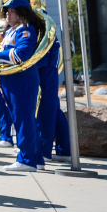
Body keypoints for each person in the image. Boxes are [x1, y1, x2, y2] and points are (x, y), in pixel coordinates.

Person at [0, 0, 45, 171]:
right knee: (21, 118)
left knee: (23, 119)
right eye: (7, 11)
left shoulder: (26, 30)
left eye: (12, 11)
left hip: (21, 80)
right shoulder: (12, 31)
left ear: (21, 14)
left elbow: (21, 54)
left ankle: (26, 160)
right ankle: (36, 159)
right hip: (11, 80)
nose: (7, 14)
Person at [36, 31, 71, 163]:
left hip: (44, 69)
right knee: (53, 112)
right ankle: (64, 151)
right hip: (46, 68)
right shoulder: (41, 23)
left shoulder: (41, 23)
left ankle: (44, 151)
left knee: (45, 112)